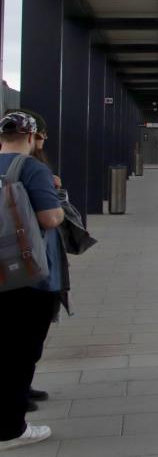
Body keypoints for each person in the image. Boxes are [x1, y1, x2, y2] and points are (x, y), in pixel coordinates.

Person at [0, 112, 64, 451]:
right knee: (22, 349)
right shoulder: (32, 169)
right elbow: (51, 219)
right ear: (32, 137)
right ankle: (12, 427)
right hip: (27, 273)